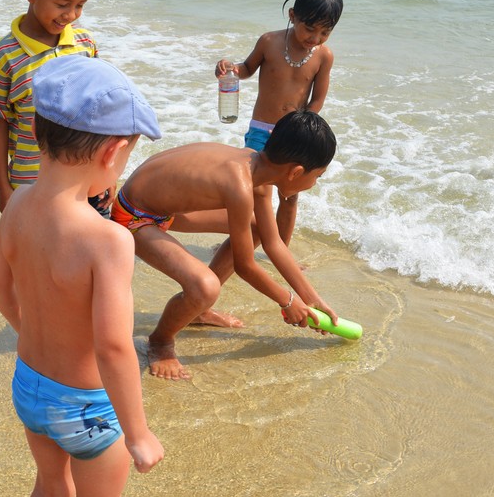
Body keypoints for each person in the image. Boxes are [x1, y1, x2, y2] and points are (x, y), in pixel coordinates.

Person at [0, 56, 165, 497]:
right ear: (112, 151)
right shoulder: (107, 240)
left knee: (48, 496)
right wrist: (138, 433)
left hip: (30, 387)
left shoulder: (18, 202)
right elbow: (112, 347)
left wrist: (27, 330)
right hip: (88, 409)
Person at [112, 110, 341, 380]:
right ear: (296, 172)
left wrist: (312, 299)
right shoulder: (239, 184)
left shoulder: (256, 170)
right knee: (204, 286)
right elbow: (245, 266)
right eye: (318, 176)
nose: (314, 184)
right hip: (134, 216)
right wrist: (287, 301)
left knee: (255, 227)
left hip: (164, 208)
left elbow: (273, 242)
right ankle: (160, 342)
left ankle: (198, 309)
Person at [0, 0, 114, 215]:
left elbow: (98, 107)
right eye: (62, 5)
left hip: (86, 181)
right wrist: (2, 186)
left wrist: (108, 170)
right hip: (30, 185)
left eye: (80, 5)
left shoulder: (84, 44)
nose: (71, 15)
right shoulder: (6, 54)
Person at [214, 0, 343, 244]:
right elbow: (247, 69)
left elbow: (317, 99)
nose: (314, 38)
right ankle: (241, 242)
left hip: (293, 136)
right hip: (262, 130)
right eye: (309, 28)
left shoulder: (323, 56)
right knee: (252, 190)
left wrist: (301, 128)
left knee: (289, 196)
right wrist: (231, 69)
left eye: (324, 32)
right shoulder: (269, 42)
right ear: (293, 15)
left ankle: (281, 249)